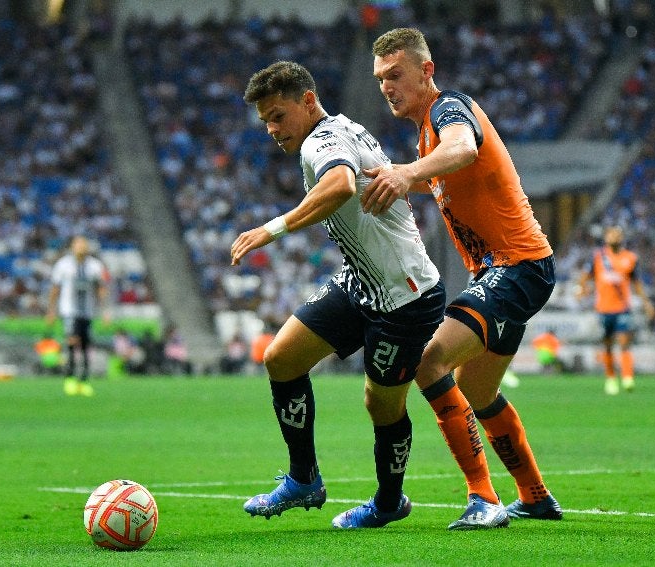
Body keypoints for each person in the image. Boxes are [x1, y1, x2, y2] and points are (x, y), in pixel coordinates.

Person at [232, 60, 508, 529]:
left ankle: (388, 502)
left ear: (307, 101)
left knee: (381, 404)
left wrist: (272, 228)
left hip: (406, 298)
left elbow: (339, 184)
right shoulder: (343, 128)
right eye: (265, 122)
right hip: (361, 282)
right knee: (281, 359)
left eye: (278, 116)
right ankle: (304, 480)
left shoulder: (324, 141)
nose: (272, 129)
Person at [363, 27, 562, 521]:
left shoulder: (448, 109)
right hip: (506, 271)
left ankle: (483, 498)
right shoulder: (425, 130)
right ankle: (535, 496)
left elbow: (465, 148)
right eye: (380, 79)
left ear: (426, 71)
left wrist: (407, 172)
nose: (387, 86)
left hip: (518, 265)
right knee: (477, 392)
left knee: (430, 363)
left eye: (396, 74)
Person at [577, 226, 654, 394]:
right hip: (603, 308)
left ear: (622, 237)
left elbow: (637, 283)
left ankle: (627, 377)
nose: (614, 236)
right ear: (606, 237)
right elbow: (585, 277)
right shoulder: (598, 257)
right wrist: (582, 290)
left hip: (623, 308)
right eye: (611, 234)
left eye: (617, 234)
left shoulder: (631, 258)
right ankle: (611, 378)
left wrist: (646, 303)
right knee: (608, 345)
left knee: (624, 341)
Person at [46, 236, 110, 396]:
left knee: (86, 345)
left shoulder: (94, 266)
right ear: (72, 246)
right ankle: (70, 378)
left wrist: (105, 310)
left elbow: (100, 289)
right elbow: (55, 288)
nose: (81, 247)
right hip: (69, 310)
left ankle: (84, 380)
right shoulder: (63, 265)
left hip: (87, 311)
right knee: (72, 342)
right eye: (78, 244)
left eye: (84, 244)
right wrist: (51, 310)